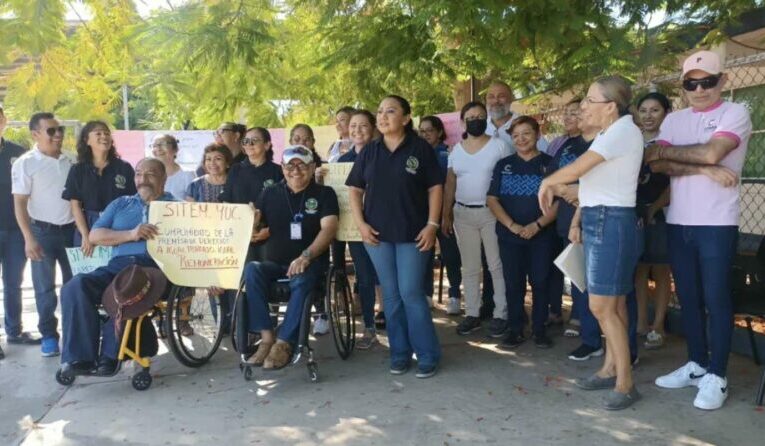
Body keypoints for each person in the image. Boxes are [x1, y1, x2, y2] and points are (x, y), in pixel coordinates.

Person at [646, 50, 752, 410]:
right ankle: (697, 364)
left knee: (716, 298)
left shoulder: (735, 113)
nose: (700, 88)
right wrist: (704, 168)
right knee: (688, 297)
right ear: (684, 85)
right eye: (692, 82)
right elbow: (654, 161)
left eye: (707, 81)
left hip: (716, 223)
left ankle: (717, 375)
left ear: (722, 81)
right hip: (679, 221)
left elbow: (712, 152)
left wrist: (682, 157)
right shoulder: (675, 119)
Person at [539, 76, 644, 410]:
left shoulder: (622, 131)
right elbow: (593, 184)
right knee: (613, 306)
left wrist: (549, 180)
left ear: (610, 107)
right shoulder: (610, 134)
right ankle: (610, 368)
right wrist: (572, 207)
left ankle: (626, 385)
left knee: (601, 306)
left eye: (589, 99)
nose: (583, 105)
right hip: (603, 218)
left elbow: (578, 169)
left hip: (612, 221)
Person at [347, 95, 443, 378]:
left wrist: (433, 224)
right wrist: (361, 224)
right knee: (390, 296)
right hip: (377, 236)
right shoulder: (370, 151)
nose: (383, 116)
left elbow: (435, 187)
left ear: (406, 117)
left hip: (414, 234)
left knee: (411, 293)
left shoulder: (420, 148)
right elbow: (354, 189)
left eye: (391, 111)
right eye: (380, 112)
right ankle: (399, 353)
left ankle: (427, 353)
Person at [59, 158, 174, 376]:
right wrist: (131, 234)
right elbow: (95, 235)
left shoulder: (177, 208)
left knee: (123, 290)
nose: (143, 180)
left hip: (156, 268)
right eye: (139, 174)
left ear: (163, 179)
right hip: (118, 266)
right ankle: (80, 357)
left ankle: (112, 355)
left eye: (150, 174)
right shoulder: (121, 203)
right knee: (75, 286)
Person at [242, 145, 339, 369]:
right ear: (283, 168)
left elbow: (329, 229)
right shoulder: (269, 193)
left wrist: (306, 256)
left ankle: (284, 343)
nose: (295, 170)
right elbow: (258, 227)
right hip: (275, 263)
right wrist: (254, 223)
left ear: (312, 166)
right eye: (290, 165)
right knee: (252, 270)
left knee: (302, 278)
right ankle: (266, 339)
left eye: (301, 164)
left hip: (311, 262)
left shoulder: (325, 194)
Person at [487, 116, 557, 349]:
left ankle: (539, 329)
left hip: (542, 235)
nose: (521, 139)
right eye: (515, 136)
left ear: (538, 135)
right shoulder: (503, 165)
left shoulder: (551, 164)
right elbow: (492, 199)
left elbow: (560, 201)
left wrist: (537, 225)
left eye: (526, 133)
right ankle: (515, 329)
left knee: (540, 281)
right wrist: (512, 225)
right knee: (513, 283)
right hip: (510, 236)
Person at [442, 101, 510, 338]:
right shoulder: (455, 150)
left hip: (492, 212)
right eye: (470, 117)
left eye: (480, 116)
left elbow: (507, 180)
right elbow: (450, 183)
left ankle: (501, 313)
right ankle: (472, 312)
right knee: (470, 267)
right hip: (463, 214)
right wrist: (446, 213)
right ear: (463, 121)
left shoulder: (500, 147)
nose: (475, 120)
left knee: (496, 264)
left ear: (486, 119)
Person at [12, 112, 75, 357]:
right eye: (51, 131)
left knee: (74, 287)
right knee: (44, 289)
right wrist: (29, 238)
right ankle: (49, 335)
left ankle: (73, 333)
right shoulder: (25, 163)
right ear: (35, 134)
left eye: (60, 130)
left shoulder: (71, 160)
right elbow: (19, 203)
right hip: (42, 232)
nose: (58, 134)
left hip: (71, 233)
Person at [545, 107, 606, 361]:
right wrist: (567, 188)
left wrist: (576, 189)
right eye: (571, 114)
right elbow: (551, 178)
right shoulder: (567, 146)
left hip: (599, 221)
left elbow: (599, 184)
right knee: (580, 281)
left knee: (605, 287)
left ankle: (620, 347)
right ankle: (590, 339)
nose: (575, 117)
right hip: (568, 223)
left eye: (582, 111)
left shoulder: (605, 142)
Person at [336, 110, 380, 349]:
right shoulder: (342, 162)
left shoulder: (383, 155)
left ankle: (396, 326)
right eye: (353, 126)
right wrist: (324, 178)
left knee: (388, 278)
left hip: (384, 226)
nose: (357, 131)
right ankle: (369, 328)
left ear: (373, 128)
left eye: (363, 126)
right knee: (364, 277)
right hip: (355, 229)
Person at [634, 93, 672, 349]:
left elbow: (675, 184)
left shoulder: (672, 142)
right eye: (643, 110)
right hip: (634, 213)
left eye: (655, 110)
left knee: (660, 270)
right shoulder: (632, 140)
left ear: (666, 112)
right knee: (637, 270)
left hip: (663, 214)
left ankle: (658, 325)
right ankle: (640, 322)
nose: (648, 115)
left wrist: (654, 208)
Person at [63, 121, 136, 255]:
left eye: (107, 133)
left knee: (117, 272)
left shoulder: (124, 168)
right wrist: (85, 235)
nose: (104, 136)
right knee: (88, 274)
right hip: (88, 224)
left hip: (118, 225)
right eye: (98, 133)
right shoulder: (78, 170)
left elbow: (133, 201)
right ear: (87, 140)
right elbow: (75, 206)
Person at [419, 115, 462, 315]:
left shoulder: (448, 153)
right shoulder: (416, 154)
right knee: (424, 254)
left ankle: (454, 295)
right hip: (422, 214)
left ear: (439, 132)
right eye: (422, 131)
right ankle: (426, 295)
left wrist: (447, 213)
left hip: (446, 212)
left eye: (429, 130)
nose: (426, 134)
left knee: (450, 254)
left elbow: (449, 185)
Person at [544, 99, 582, 327]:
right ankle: (560, 311)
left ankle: (581, 316)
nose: (568, 117)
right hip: (562, 215)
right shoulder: (563, 145)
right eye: (566, 113)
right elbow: (551, 176)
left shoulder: (593, 144)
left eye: (574, 113)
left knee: (581, 270)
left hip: (582, 216)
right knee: (565, 266)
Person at [220, 127, 283, 262]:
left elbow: (285, 205)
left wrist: (270, 230)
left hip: (268, 235)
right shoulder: (235, 169)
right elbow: (227, 201)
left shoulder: (278, 171)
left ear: (267, 145)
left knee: (263, 276)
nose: (249, 144)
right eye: (246, 141)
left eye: (254, 140)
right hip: (239, 234)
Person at [0, 106, 30, 352]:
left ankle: (14, 331)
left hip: (15, 231)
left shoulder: (18, 154)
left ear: (4, 120)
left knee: (13, 283)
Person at [484, 81, 548, 153]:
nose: (496, 101)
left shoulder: (526, 125)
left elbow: (546, 154)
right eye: (491, 97)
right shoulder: (481, 126)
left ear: (511, 99)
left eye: (501, 96)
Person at [151, 134, 195, 201]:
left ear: (175, 149)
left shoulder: (187, 174)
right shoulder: (148, 174)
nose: (158, 149)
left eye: (163, 144)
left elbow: (192, 206)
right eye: (154, 145)